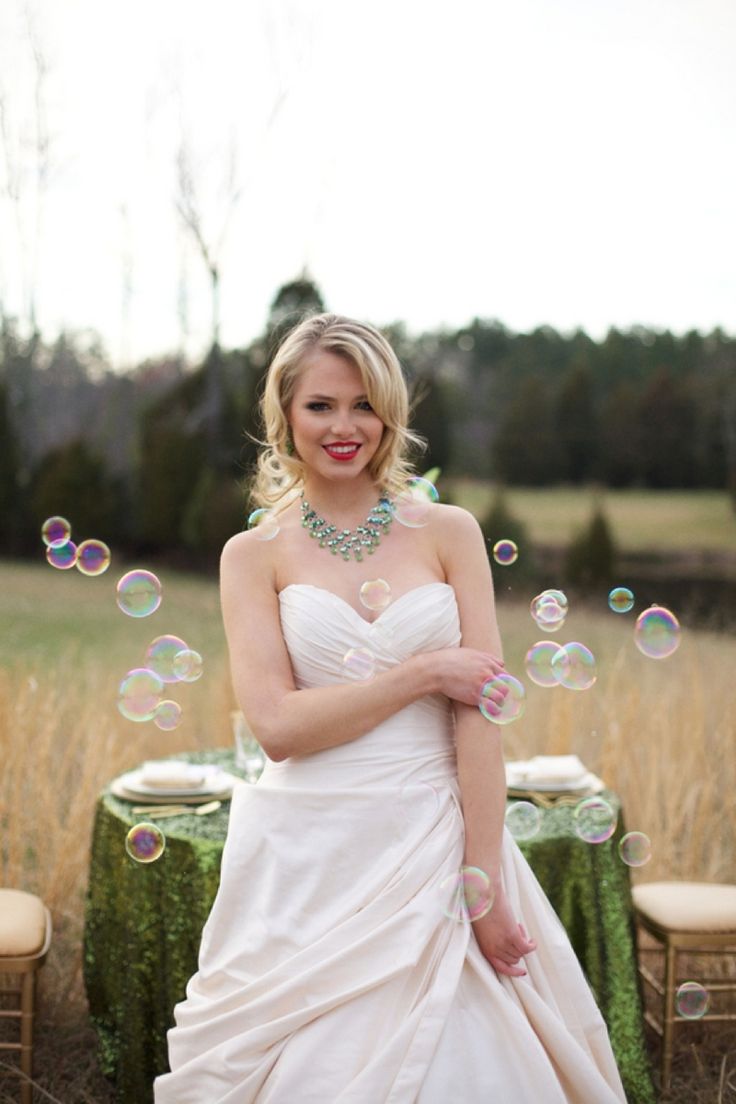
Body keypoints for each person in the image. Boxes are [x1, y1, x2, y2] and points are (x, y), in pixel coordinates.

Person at [154, 313, 626, 1103]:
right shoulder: (253, 555)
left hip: (438, 840)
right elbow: (276, 728)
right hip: (312, 853)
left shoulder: (449, 532)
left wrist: (481, 880)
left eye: (364, 405)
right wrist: (424, 672)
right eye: (321, 406)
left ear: (390, 415)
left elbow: (482, 710)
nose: (345, 427)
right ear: (284, 415)